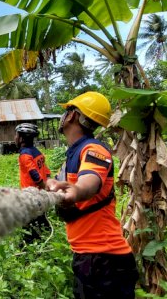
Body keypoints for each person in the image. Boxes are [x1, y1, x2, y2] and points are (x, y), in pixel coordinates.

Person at [46, 92, 138, 299]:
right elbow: (60, 187)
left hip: (105, 260)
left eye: (66, 111)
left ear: (72, 116)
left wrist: (76, 191)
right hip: (90, 257)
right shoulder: (73, 154)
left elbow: (90, 182)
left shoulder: (94, 149)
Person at [15, 123, 51, 245]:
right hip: (39, 194)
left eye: (16, 135)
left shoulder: (25, 154)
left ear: (21, 138)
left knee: (28, 224)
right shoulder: (37, 152)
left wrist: (42, 186)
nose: (15, 138)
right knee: (40, 219)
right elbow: (46, 171)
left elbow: (34, 173)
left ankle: (26, 248)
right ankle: (43, 240)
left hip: (30, 194)